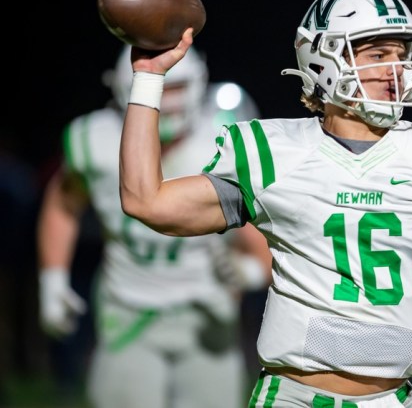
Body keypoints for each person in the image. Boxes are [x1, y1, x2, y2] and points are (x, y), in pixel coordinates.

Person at [118, 0, 412, 408]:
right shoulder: (274, 154)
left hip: (392, 399)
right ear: (324, 58)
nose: (395, 69)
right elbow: (145, 202)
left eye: (402, 55)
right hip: (293, 397)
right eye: (378, 54)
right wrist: (148, 79)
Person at [37, 44, 272, 408]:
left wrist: (251, 270)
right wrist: (52, 278)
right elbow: (62, 203)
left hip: (207, 312)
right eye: (159, 87)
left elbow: (260, 227)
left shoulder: (224, 139)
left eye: (176, 88)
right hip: (129, 311)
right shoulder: (95, 139)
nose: (168, 101)